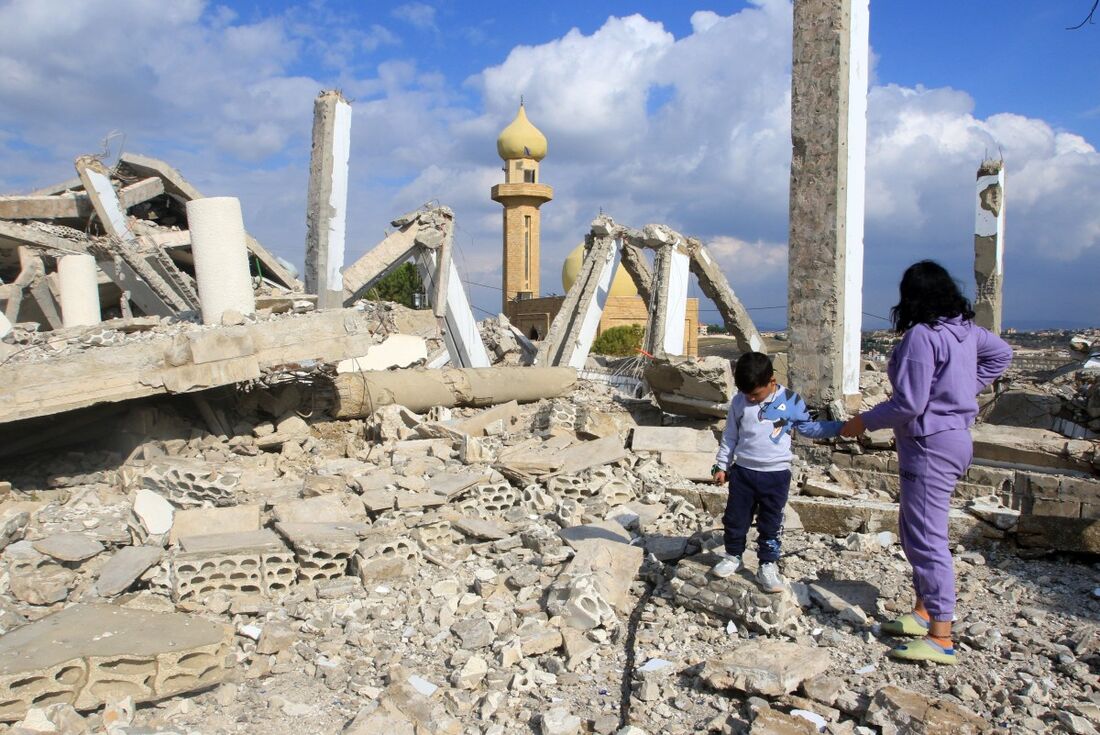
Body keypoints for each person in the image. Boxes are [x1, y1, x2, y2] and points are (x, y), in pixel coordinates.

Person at [840, 260, 1012, 665]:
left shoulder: (922, 335)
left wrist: (862, 422)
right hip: (953, 438)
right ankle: (923, 612)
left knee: (926, 536)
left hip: (929, 442)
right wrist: (962, 389)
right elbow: (1001, 354)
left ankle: (941, 636)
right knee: (914, 526)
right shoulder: (965, 330)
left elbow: (909, 403)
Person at [712, 352, 842, 592]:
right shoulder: (740, 401)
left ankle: (767, 565)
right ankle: (733, 556)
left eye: (755, 394)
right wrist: (722, 465)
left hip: (776, 475)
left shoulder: (791, 401)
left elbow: (808, 428)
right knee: (735, 518)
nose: (751, 398)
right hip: (743, 473)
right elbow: (730, 435)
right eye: (747, 394)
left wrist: (840, 428)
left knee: (771, 522)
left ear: (772, 381)